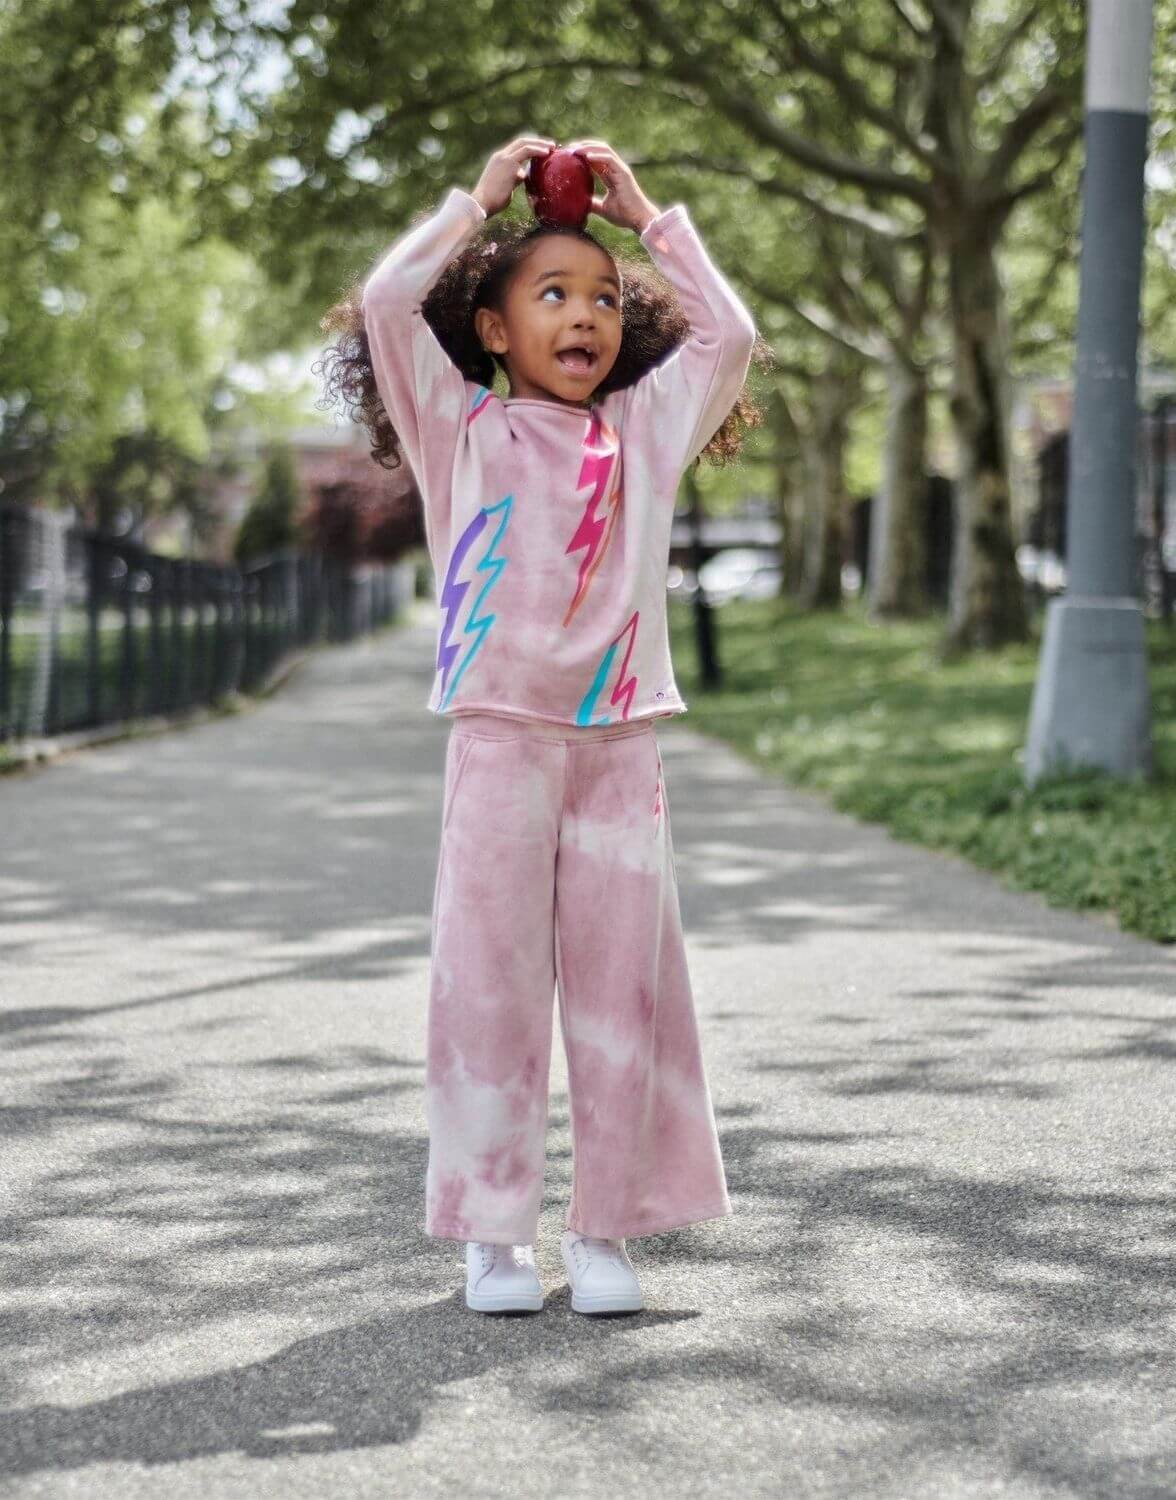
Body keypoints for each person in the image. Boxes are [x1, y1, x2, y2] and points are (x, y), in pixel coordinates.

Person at [319, 133, 771, 1315]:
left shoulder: (645, 434)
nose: (588, 315)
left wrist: (647, 219)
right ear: (493, 329)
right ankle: (493, 1237)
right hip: (500, 747)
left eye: (606, 297)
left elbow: (731, 339)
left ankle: (608, 1232)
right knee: (490, 991)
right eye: (554, 295)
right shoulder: (457, 430)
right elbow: (383, 299)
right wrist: (476, 201)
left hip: (621, 752)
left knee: (626, 1000)